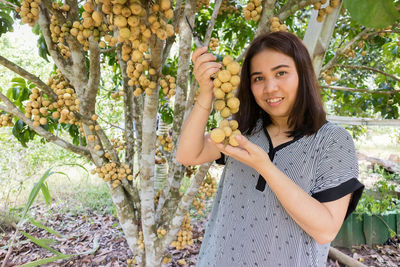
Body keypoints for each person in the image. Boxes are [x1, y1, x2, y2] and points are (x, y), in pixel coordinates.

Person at [176, 31, 365, 267]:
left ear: (302, 75)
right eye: (258, 78)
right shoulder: (244, 131)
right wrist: (206, 93)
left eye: (281, 73)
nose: (270, 87)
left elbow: (325, 231)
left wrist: (265, 167)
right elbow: (187, 154)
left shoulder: (333, 141)